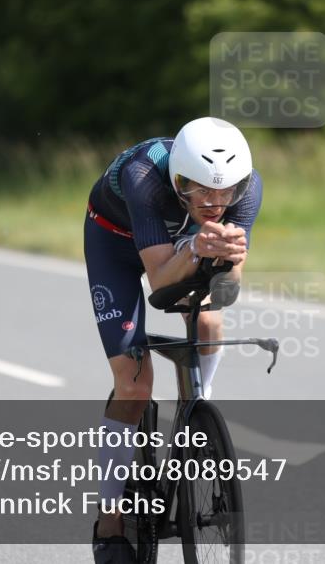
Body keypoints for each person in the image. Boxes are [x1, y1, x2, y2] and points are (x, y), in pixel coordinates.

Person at [84, 117, 262, 563]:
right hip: (117, 241)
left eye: (226, 193)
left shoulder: (248, 187)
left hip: (185, 240)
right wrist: (197, 250)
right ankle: (109, 521)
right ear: (177, 179)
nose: (214, 202)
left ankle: (196, 419)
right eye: (199, 189)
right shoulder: (143, 176)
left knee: (210, 323)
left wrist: (230, 259)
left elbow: (227, 288)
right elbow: (161, 283)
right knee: (134, 384)